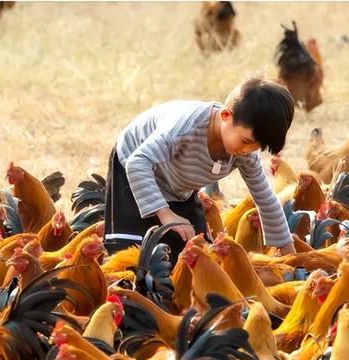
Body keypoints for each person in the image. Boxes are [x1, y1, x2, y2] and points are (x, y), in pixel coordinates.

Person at [103, 76, 296, 263]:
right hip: (133, 171)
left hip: (178, 184)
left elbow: (265, 199)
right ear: (226, 116)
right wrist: (165, 213)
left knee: (195, 252)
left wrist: (291, 256)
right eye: (245, 141)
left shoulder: (245, 153)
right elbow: (138, 162)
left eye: (256, 147)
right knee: (134, 256)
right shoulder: (184, 129)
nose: (247, 151)